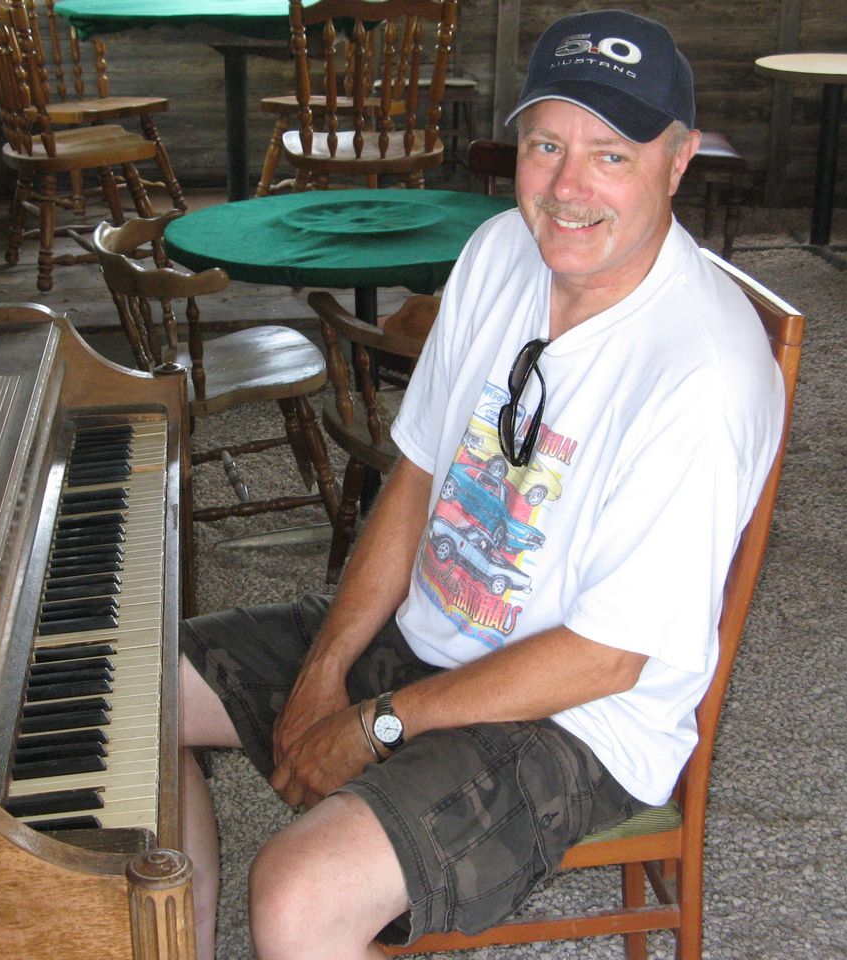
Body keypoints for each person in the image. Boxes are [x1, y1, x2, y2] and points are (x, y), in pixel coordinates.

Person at [179, 10, 786, 959]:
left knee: (297, 895)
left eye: (612, 154)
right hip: (430, 634)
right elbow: (418, 473)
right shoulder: (500, 249)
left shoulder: (702, 374)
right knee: (132, 699)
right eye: (547, 145)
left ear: (678, 162)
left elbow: (607, 658)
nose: (568, 187)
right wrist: (327, 665)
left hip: (577, 719)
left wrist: (374, 725)